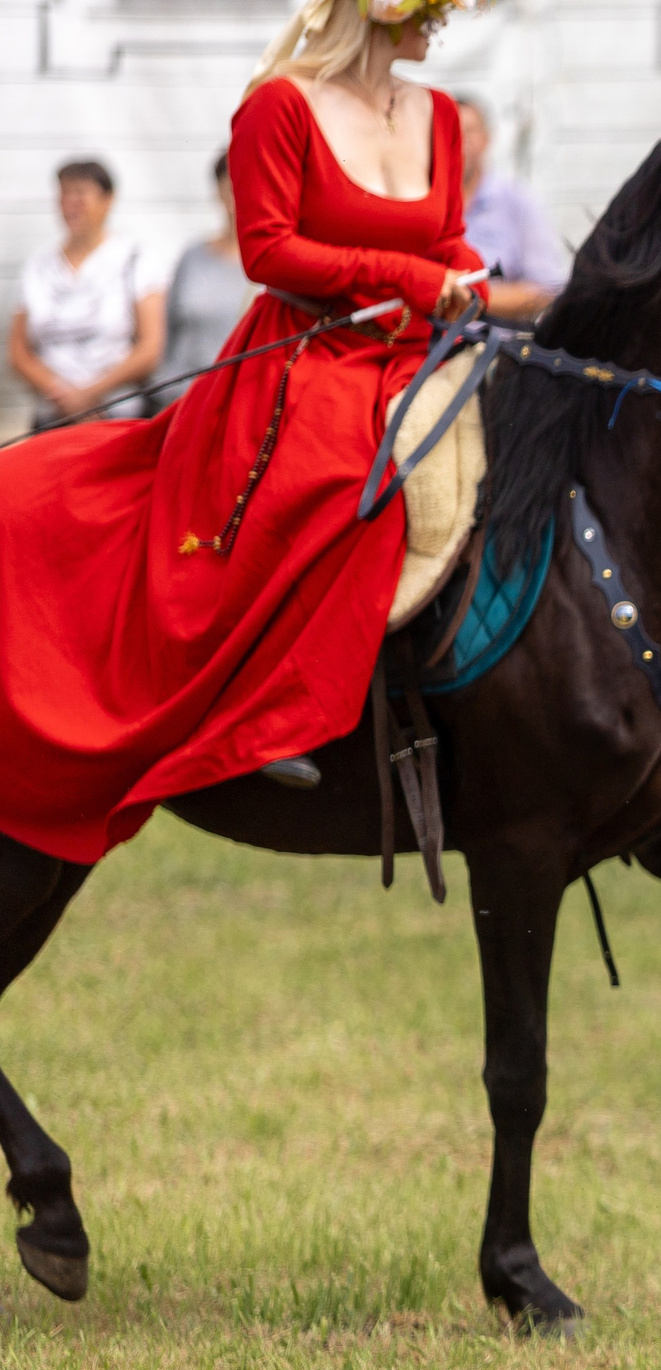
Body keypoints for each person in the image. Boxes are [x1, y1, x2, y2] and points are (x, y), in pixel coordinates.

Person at [0, 0, 483, 854]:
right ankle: (275, 717)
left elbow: (448, 241)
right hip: (307, 352)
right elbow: (267, 249)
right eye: (435, 6)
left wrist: (465, 282)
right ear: (378, 12)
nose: (443, 20)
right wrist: (403, 273)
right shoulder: (278, 105)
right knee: (344, 480)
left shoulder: (438, 113)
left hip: (416, 348)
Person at [9, 160, 167, 428]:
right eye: (64, 194)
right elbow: (19, 351)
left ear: (108, 200)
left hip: (117, 415)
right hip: (53, 418)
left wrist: (91, 394)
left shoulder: (135, 259)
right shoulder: (38, 266)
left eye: (80, 194)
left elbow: (150, 347)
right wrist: (62, 394)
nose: (71, 204)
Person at [454, 93, 566, 322]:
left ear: (486, 138)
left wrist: (471, 299)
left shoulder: (517, 201)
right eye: (449, 133)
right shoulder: (420, 206)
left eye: (468, 132)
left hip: (497, 348)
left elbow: (548, 288)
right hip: (431, 347)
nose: (460, 143)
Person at [155, 151, 255, 405]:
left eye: (248, 183)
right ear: (218, 192)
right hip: (181, 400)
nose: (239, 197)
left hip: (244, 401)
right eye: (231, 187)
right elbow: (167, 333)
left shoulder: (274, 264)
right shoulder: (193, 257)